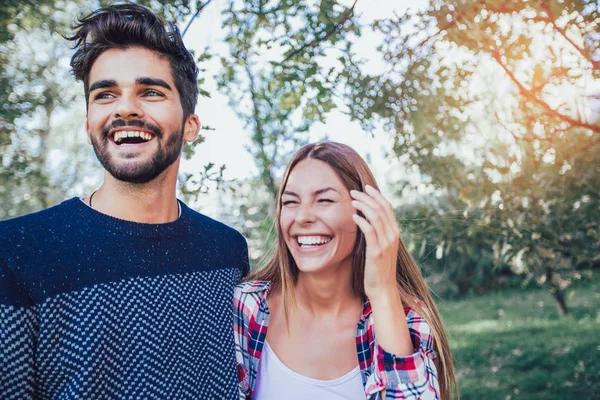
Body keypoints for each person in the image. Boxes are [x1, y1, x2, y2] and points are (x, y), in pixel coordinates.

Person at [0, 4, 248, 399]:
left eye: (150, 92)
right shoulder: (15, 251)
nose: (126, 107)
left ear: (190, 125)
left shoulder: (227, 250)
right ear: (87, 125)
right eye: (105, 94)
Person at [234, 142, 456, 400]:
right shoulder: (245, 307)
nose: (303, 217)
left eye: (324, 200)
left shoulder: (405, 320)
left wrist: (383, 293)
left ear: (367, 213)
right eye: (290, 202)